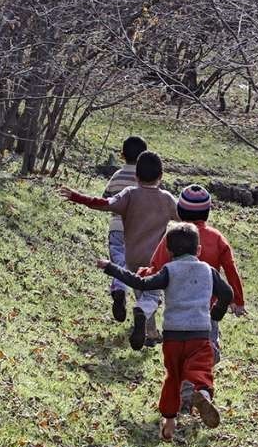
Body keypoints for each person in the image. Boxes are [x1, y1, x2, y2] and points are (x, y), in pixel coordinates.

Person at [97, 222, 233, 441]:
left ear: (168, 252)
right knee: (200, 366)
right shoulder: (208, 271)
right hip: (199, 332)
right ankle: (203, 393)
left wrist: (110, 267)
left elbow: (140, 281)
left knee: (173, 378)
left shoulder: (169, 270)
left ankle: (169, 422)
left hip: (173, 336)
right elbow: (227, 293)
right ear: (198, 250)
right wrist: (216, 313)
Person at [60, 151, 178, 349]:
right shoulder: (167, 199)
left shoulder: (129, 194)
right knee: (151, 297)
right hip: (156, 260)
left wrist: (77, 197)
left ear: (136, 176)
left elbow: (104, 204)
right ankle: (144, 319)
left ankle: (149, 333)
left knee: (142, 292)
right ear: (161, 176)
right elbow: (186, 217)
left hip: (131, 259)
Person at [143, 185, 245, 363]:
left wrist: (143, 274)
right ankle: (208, 357)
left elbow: (156, 266)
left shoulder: (173, 236)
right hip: (207, 306)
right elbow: (230, 269)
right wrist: (237, 300)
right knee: (207, 339)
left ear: (180, 211)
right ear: (207, 212)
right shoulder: (217, 238)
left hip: (178, 306)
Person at [101, 137, 148, 322]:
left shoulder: (117, 176)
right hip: (139, 230)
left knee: (120, 261)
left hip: (117, 228)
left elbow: (106, 197)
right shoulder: (145, 180)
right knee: (137, 267)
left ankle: (119, 288)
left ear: (122, 155)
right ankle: (143, 308)